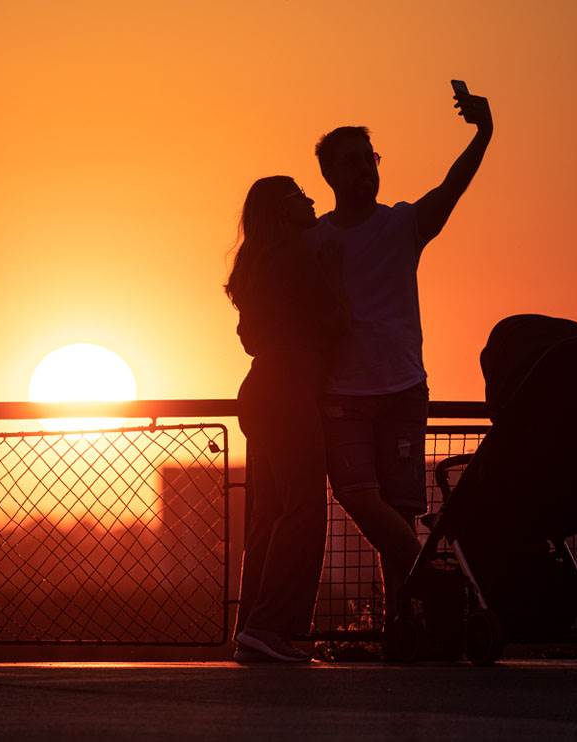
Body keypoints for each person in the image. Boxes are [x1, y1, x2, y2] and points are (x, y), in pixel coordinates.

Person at [310, 84, 493, 626]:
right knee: (358, 496)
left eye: (371, 159)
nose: (365, 169)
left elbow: (452, 188)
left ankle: (401, 625)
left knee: (400, 509)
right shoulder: (318, 242)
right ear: (332, 175)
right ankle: (434, 580)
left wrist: (484, 133)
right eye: (353, 162)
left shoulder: (401, 225)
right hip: (342, 394)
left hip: (402, 390)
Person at [226, 176, 346, 662]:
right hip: (290, 392)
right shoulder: (299, 256)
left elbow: (251, 339)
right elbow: (336, 320)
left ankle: (253, 628)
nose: (312, 199)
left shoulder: (255, 266)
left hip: (262, 392)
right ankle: (270, 624)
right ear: (281, 209)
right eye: (299, 194)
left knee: (270, 515)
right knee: (303, 510)